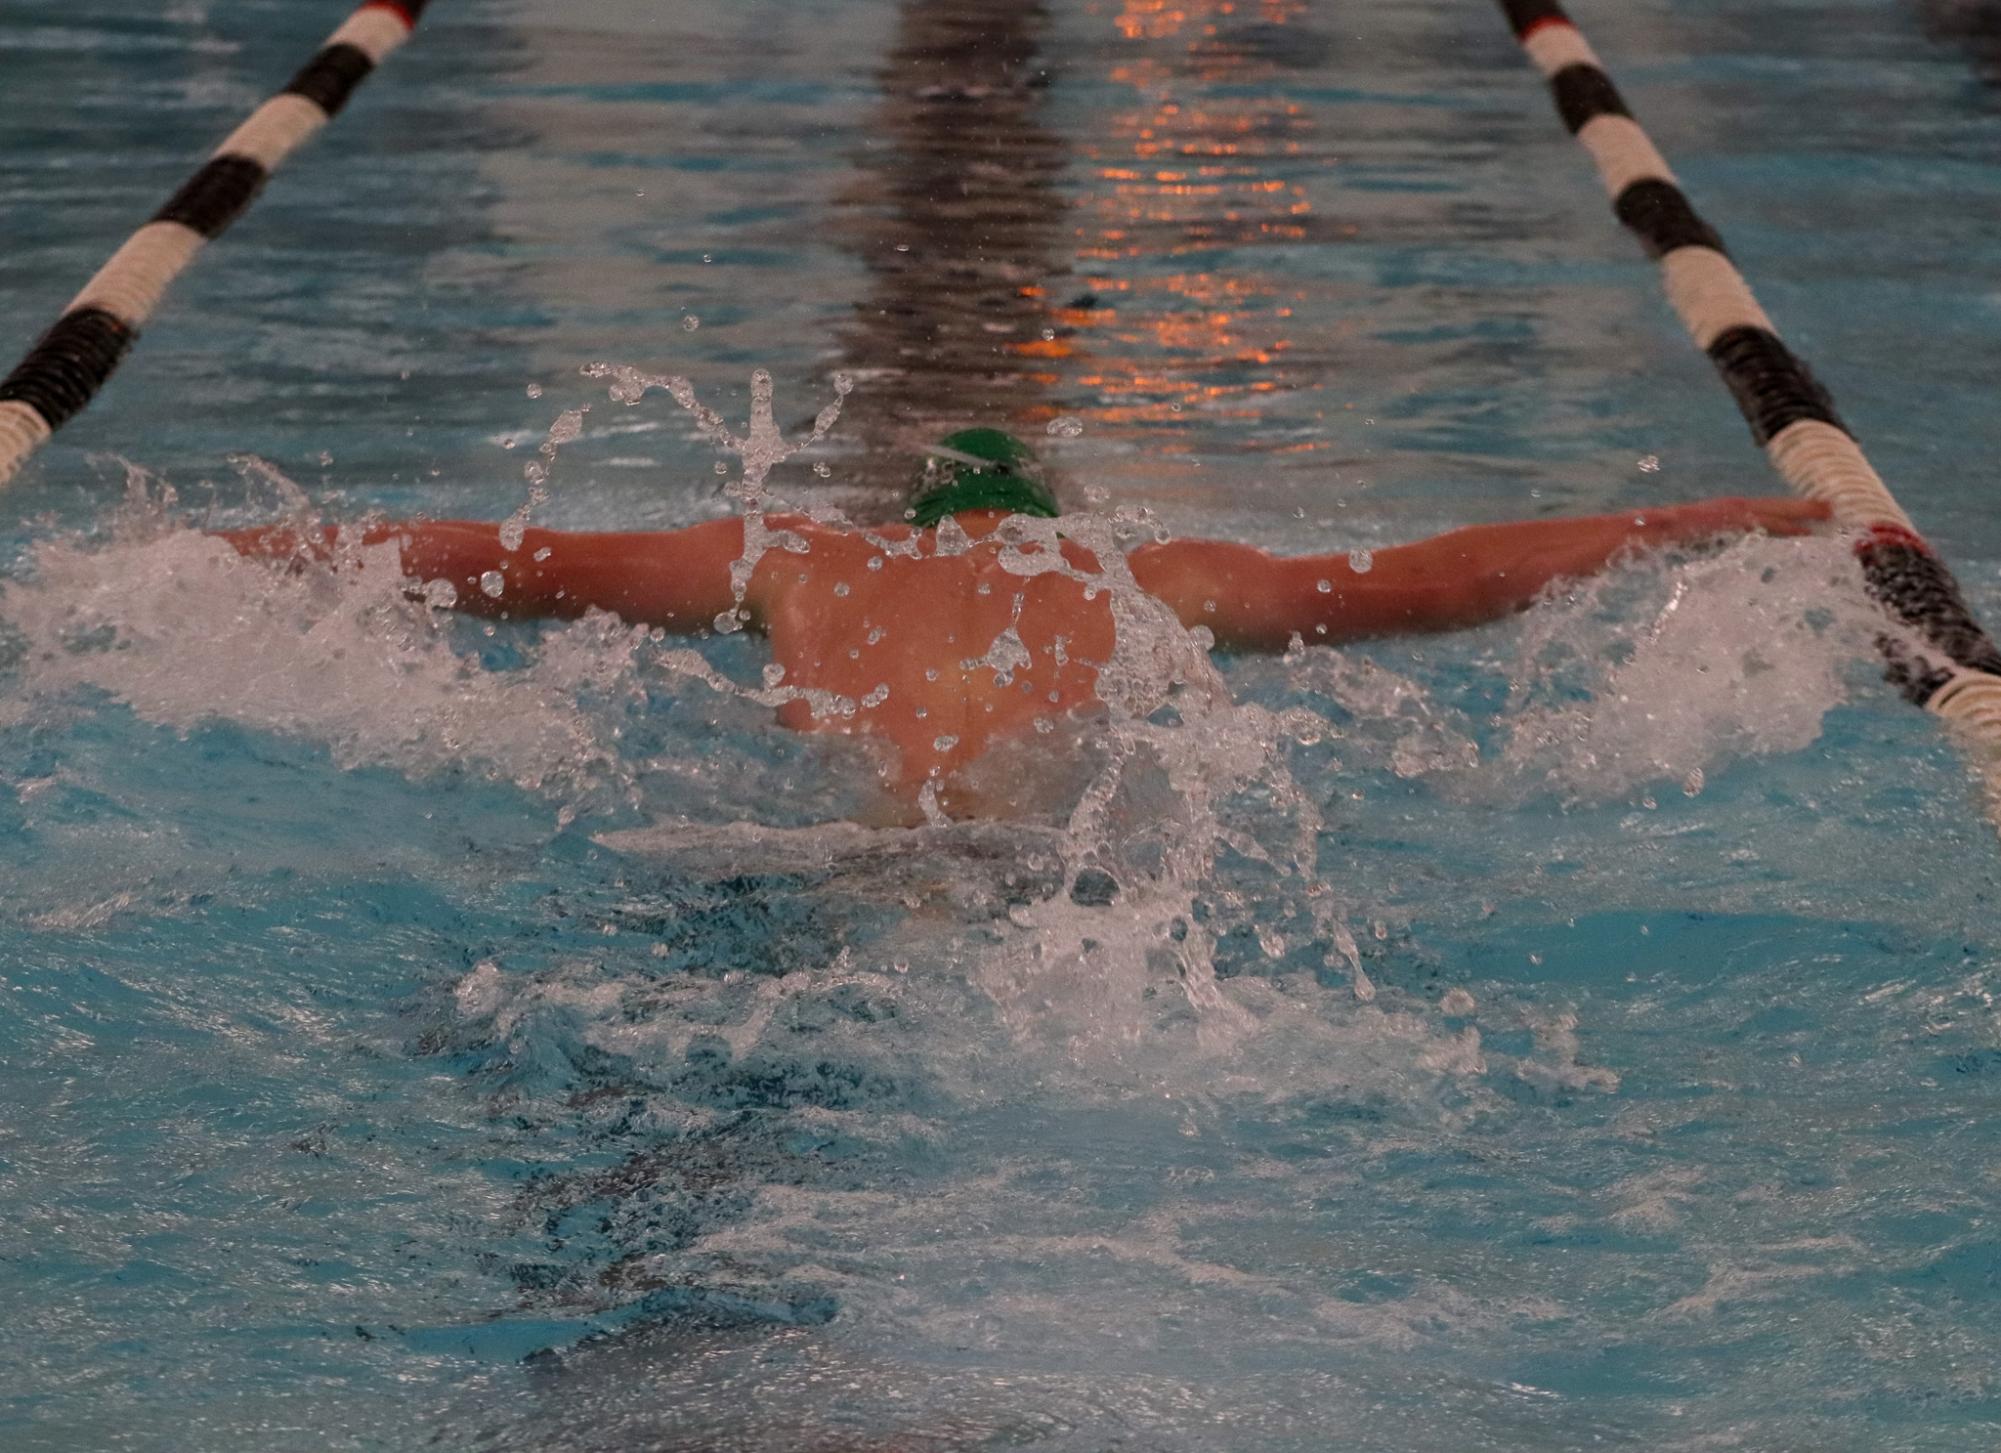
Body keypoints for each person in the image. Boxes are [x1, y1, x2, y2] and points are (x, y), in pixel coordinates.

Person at [221, 428, 1828, 819]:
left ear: (907, 514)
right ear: (1049, 516)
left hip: (819, 847)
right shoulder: (1146, 582)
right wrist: (1685, 523)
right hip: (1040, 885)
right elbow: (1439, 582)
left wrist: (254, 555)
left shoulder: (790, 561)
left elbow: (500, 561)